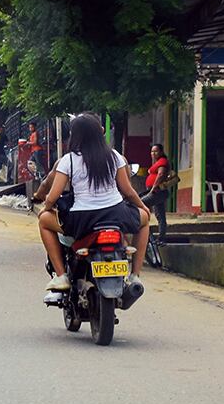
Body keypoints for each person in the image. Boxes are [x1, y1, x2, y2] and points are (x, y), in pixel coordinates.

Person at [38, 113, 150, 294]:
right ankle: (135, 274)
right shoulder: (115, 156)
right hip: (117, 215)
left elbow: (52, 197)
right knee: (145, 221)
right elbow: (128, 191)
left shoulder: (69, 160)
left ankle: (61, 276)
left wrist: (45, 208)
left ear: (75, 136)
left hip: (82, 221)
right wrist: (143, 207)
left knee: (43, 220)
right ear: (100, 133)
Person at [140, 143, 170, 244]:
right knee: (160, 215)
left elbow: (161, 174)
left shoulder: (163, 161)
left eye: (155, 151)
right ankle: (161, 238)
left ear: (161, 152)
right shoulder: (157, 162)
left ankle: (145, 232)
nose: (153, 153)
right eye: (152, 151)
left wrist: (154, 187)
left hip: (157, 191)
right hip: (157, 192)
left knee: (140, 204)